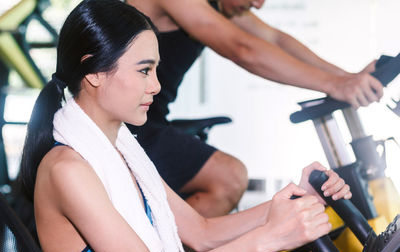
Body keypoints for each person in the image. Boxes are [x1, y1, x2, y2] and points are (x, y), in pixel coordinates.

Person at [18, 0, 352, 252]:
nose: (156, 86)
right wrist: (269, 238)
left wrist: (302, 196)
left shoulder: (121, 150)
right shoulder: (68, 170)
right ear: (94, 72)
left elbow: (202, 232)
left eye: (156, 70)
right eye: (144, 70)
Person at [125, 0, 384, 217]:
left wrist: (347, 79)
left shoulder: (217, 5)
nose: (259, 4)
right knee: (228, 178)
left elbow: (275, 39)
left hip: (147, 120)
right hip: (118, 125)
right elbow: (243, 48)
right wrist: (336, 84)